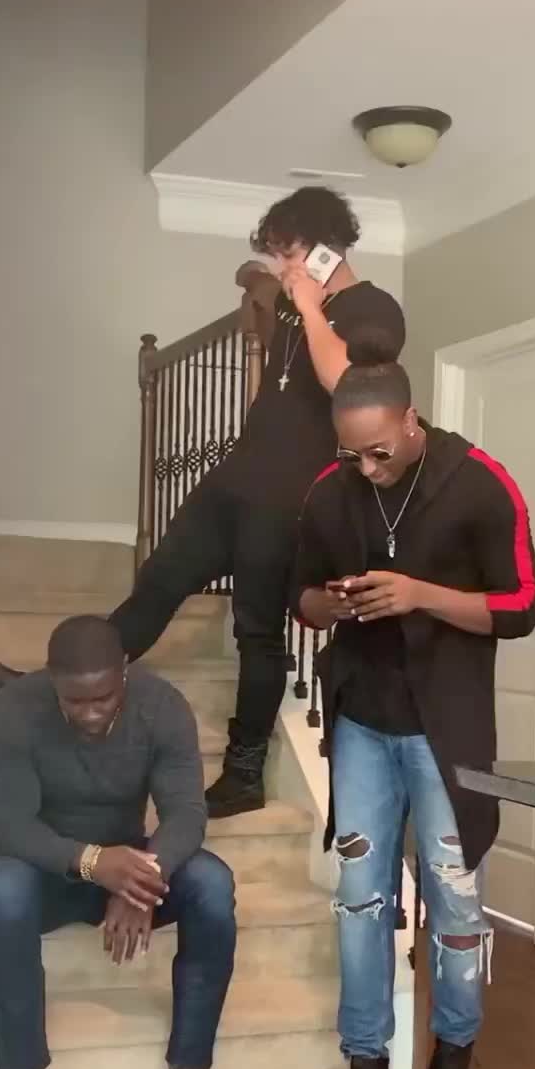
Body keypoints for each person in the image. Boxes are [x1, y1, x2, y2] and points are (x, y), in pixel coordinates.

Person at [291, 331, 535, 1069]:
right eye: (351, 454)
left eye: (378, 452)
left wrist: (418, 595)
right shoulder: (330, 491)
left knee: (456, 903)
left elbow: (521, 608)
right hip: (362, 722)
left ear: (410, 420)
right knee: (360, 900)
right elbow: (300, 597)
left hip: (449, 733)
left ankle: (453, 1061)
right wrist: (331, 604)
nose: (365, 469)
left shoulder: (481, 483)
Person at [108, 186, 405, 819]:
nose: (283, 266)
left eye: (290, 252)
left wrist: (309, 304)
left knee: (257, 630)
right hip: (236, 479)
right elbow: (258, 284)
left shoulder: (373, 309)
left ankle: (244, 772)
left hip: (290, 496)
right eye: (278, 254)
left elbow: (345, 382)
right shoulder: (289, 298)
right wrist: (260, 278)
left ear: (327, 248)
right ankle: (69, 679)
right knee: (160, 578)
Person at [0, 615, 236, 1069]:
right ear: (51, 679)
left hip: (127, 865)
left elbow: (186, 813)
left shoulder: (161, 706)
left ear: (124, 669)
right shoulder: (13, 710)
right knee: (0, 887)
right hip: (46, 870)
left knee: (212, 883)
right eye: (74, 701)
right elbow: (10, 826)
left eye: (103, 698)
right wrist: (95, 863)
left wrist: (142, 880)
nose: (91, 713)